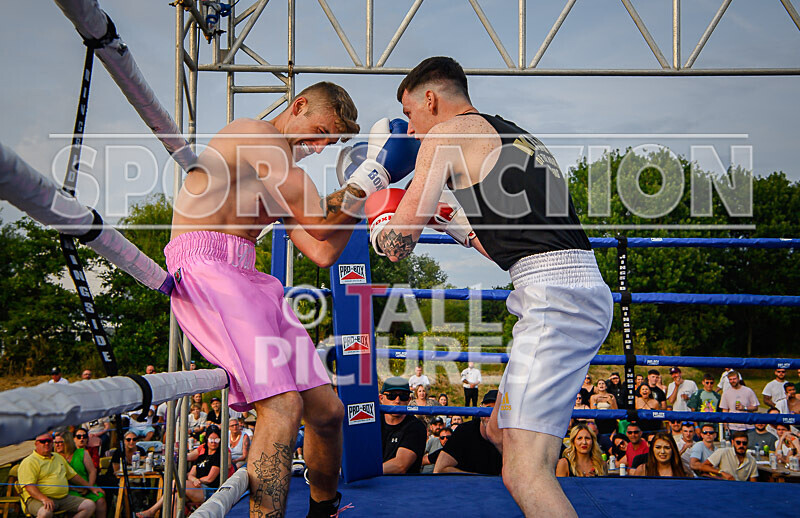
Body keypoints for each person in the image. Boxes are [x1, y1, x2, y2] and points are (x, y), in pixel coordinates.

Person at [371, 56, 613, 512]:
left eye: (409, 114)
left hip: (554, 299)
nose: (411, 130)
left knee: (523, 471)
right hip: (572, 286)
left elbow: (398, 244)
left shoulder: (445, 134)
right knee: (498, 431)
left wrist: (379, 211)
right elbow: (508, 243)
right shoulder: (515, 135)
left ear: (430, 98)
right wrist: (450, 220)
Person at [166, 80, 417, 517]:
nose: (320, 146)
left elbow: (322, 250)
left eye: (330, 142)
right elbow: (320, 218)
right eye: (320, 131)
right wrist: (372, 175)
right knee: (282, 404)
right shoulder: (254, 135)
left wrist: (367, 192)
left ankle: (323, 510)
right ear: (298, 105)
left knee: (327, 411)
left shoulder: (274, 173)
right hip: (207, 267)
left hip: (249, 277)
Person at [136, 426, 224, 518]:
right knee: (175, 497)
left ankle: (152, 511)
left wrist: (198, 480)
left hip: (209, 490)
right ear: (207, 439)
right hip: (195, 486)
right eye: (211, 439)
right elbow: (191, 474)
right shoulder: (202, 456)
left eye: (217, 439)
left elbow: (210, 479)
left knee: (174, 483)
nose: (214, 442)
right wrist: (194, 479)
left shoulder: (218, 456)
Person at [18, 432, 101, 518]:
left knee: (89, 505)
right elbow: (29, 487)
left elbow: (73, 476)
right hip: (37, 499)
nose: (46, 443)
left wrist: (90, 487)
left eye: (49, 441)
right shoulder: (29, 462)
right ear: (36, 444)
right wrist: (44, 499)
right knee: (45, 513)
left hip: (62, 498)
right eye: (43, 441)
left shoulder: (58, 457)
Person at [434, 390, 502, 475]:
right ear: (481, 408)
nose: (491, 414)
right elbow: (439, 470)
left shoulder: (509, 435)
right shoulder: (464, 431)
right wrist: (478, 479)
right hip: (466, 486)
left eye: (496, 410)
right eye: (488, 408)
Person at [380, 377, 427, 474]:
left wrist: (365, 472)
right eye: (392, 396)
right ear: (381, 398)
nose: (397, 400)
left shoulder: (416, 427)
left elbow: (400, 466)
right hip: (371, 483)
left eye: (403, 396)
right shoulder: (373, 422)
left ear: (409, 400)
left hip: (402, 486)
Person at [53, 432, 106, 518]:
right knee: (77, 505)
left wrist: (90, 487)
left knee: (100, 499)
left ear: (68, 442)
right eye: (55, 443)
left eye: (60, 442)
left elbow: (92, 471)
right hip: (69, 489)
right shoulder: (55, 457)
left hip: (87, 485)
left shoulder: (82, 453)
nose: (57, 445)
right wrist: (76, 488)